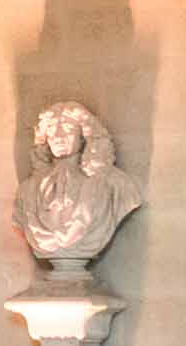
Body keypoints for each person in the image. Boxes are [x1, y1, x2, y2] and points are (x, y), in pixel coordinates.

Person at [11, 100, 143, 267]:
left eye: (67, 128)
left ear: (84, 135)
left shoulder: (114, 183)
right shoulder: (27, 189)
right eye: (51, 129)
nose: (58, 136)